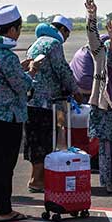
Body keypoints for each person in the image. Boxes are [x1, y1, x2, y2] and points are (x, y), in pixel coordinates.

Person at [0, 4, 36, 222]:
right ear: (11, 30)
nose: (19, 33)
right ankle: (4, 210)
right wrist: (30, 72)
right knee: (5, 163)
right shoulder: (8, 56)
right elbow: (20, 86)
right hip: (8, 116)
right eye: (19, 29)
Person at [24, 15, 80, 193]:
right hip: (46, 103)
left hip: (31, 100)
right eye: (67, 33)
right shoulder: (54, 44)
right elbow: (62, 69)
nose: (67, 38)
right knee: (45, 141)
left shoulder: (37, 42)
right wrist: (75, 90)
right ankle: (37, 180)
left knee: (34, 141)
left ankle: (35, 178)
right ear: (62, 30)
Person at [83, 0, 112, 194]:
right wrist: (91, 16)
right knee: (108, 146)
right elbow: (92, 36)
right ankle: (109, 181)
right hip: (104, 105)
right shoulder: (100, 52)